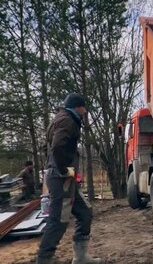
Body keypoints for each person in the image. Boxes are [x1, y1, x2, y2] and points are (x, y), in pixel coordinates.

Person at [37, 93, 101, 264]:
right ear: (77, 107)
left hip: (66, 179)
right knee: (59, 220)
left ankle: (80, 257)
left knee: (84, 212)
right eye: (84, 107)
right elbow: (57, 146)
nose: (85, 111)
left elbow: (46, 146)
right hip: (62, 179)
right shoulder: (67, 121)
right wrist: (63, 169)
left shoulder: (61, 119)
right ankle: (44, 260)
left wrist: (56, 166)